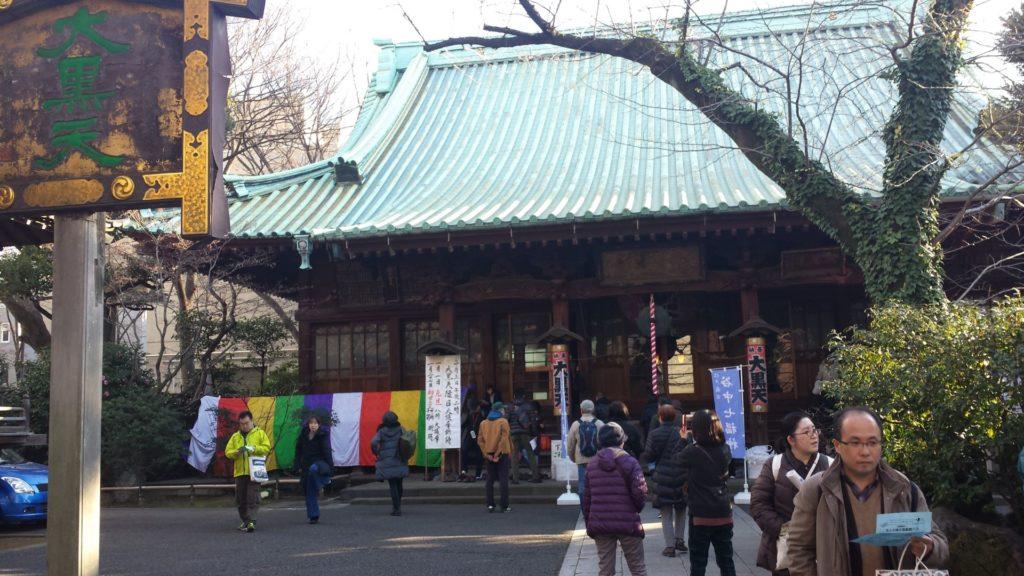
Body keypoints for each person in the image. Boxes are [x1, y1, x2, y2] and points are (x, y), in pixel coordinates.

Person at [787, 407, 949, 576]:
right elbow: (799, 549)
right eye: (855, 443)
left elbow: (940, 544)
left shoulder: (903, 489)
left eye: (872, 443)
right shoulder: (818, 490)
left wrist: (930, 547)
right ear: (838, 445)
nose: (865, 452)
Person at [750, 411, 833, 575]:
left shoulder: (830, 465)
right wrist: (782, 528)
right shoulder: (775, 465)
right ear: (790, 439)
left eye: (814, 430)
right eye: (806, 432)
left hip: (823, 547)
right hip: (787, 547)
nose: (814, 436)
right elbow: (758, 504)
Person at [583, 423, 649, 576]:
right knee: (637, 567)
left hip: (600, 521)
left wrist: (589, 522)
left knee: (605, 569)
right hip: (627, 521)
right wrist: (634, 509)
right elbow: (640, 492)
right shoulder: (630, 462)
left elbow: (586, 499)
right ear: (622, 441)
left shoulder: (592, 464)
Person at [677, 409, 735, 576]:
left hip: (700, 514)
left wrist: (682, 440)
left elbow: (676, 460)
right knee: (726, 561)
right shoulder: (725, 450)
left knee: (698, 563)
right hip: (723, 510)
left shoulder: (692, 451)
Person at [643, 403, 690, 557]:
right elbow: (688, 452)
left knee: (666, 511)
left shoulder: (654, 434)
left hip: (662, 474)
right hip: (682, 474)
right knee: (681, 508)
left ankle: (669, 546)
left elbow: (649, 455)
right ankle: (680, 539)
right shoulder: (682, 433)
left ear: (660, 417)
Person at [224, 411, 271, 532]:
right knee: (240, 499)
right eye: (242, 424)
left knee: (252, 496)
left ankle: (251, 521)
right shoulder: (235, 436)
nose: (244, 426)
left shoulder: (260, 433)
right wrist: (236, 452)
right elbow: (227, 452)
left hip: (254, 471)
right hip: (240, 472)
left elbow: (267, 448)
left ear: (252, 421)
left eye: (247, 423)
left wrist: (254, 449)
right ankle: (245, 520)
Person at [293, 415, 333, 524]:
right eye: (311, 423)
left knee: (314, 468)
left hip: (320, 463)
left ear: (319, 425)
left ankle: (323, 482)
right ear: (308, 425)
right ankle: (313, 516)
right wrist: (296, 465)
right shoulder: (303, 435)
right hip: (306, 466)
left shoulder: (323, 435)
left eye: (315, 423)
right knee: (309, 491)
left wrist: (331, 467)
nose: (313, 425)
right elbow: (298, 450)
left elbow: (327, 451)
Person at [371, 411, 412, 517]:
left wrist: (376, 452)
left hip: (387, 461)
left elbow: (373, 442)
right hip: (399, 459)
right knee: (399, 483)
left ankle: (396, 508)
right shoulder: (401, 429)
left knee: (392, 484)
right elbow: (408, 440)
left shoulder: (381, 431)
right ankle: (398, 505)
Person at [567, 399, 605, 504]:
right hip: (597, 459)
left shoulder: (575, 424)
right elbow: (605, 443)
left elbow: (570, 445)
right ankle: (597, 507)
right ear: (592, 410)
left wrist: (573, 458)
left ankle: (585, 510)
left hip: (581, 459)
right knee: (598, 484)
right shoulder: (599, 424)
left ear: (581, 410)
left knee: (583, 486)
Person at [477, 401, 512, 512]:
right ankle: (504, 505)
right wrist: (498, 454)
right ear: (500, 410)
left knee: (490, 479)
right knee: (503, 479)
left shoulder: (483, 423)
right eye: (503, 409)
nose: (504, 411)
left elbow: (480, 440)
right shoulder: (503, 421)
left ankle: (490, 504)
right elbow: (504, 439)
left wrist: (487, 454)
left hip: (488, 454)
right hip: (502, 453)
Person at [508, 389, 542, 484]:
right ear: (523, 396)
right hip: (525, 433)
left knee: (514, 455)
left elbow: (506, 419)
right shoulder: (529, 406)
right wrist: (534, 432)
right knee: (530, 453)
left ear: (514, 396)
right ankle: (535, 476)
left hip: (513, 433)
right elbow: (533, 421)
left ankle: (515, 478)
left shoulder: (510, 406)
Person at [460, 395, 485, 482]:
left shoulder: (481, 415)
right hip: (469, 437)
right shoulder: (469, 414)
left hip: (479, 437)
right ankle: (464, 471)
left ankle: (478, 474)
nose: (478, 408)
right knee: (464, 451)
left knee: (479, 456)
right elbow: (462, 425)